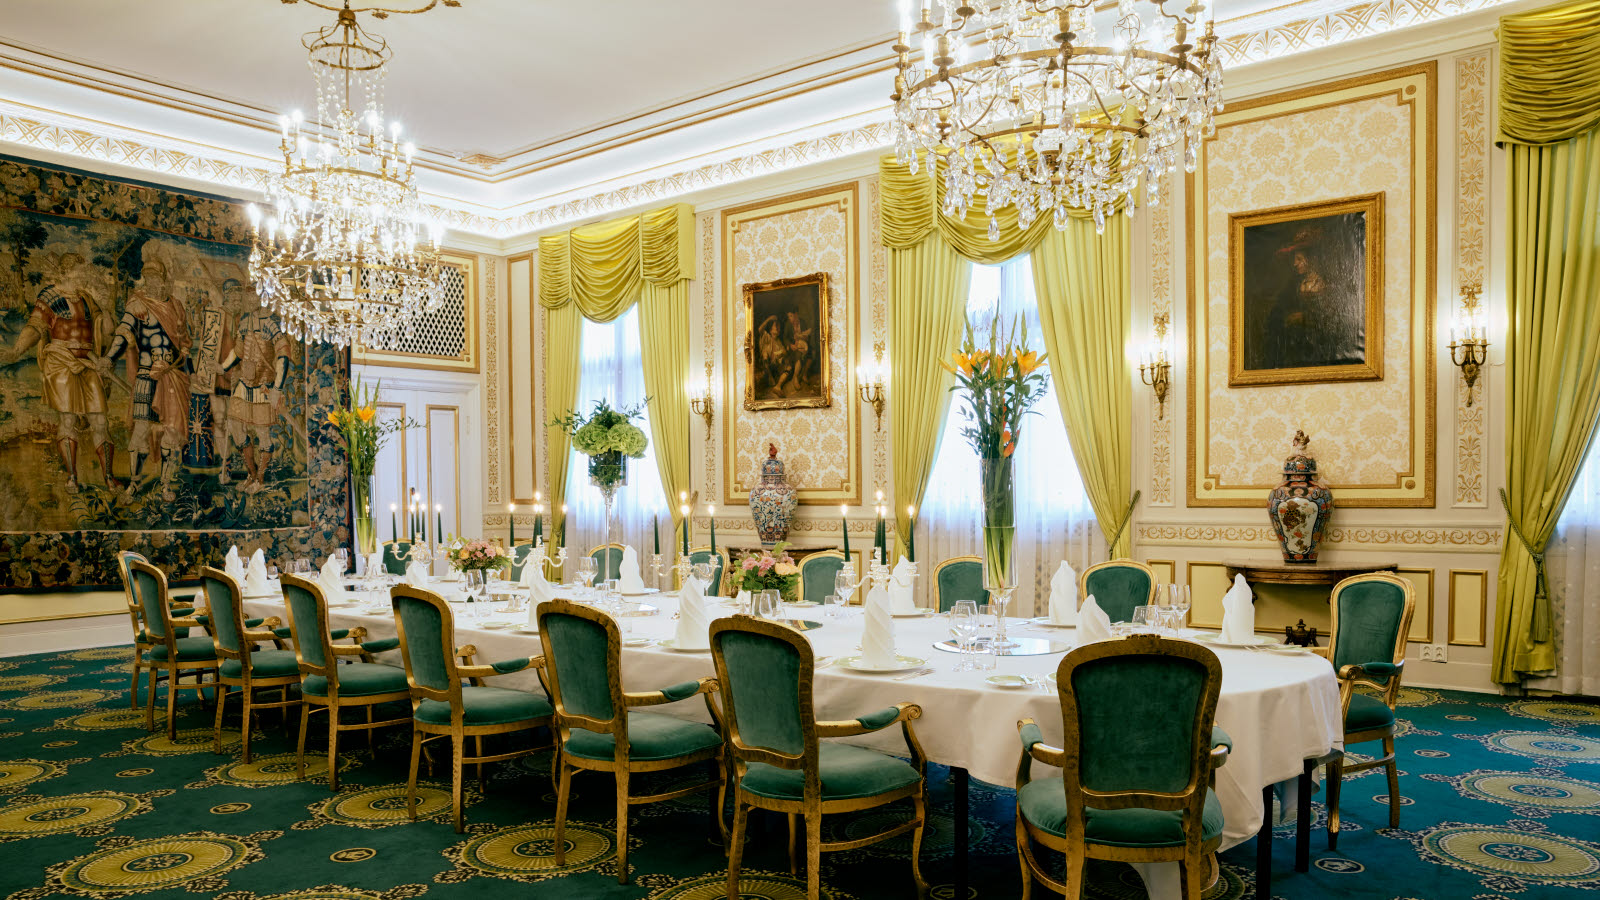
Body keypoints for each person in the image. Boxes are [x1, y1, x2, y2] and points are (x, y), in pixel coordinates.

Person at [0, 253, 117, 492]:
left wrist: (105, 309)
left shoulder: (87, 298)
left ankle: (108, 477)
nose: (84, 277)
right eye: (80, 272)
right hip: (60, 360)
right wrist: (16, 351)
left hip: (87, 361)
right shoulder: (50, 296)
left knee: (100, 420)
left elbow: (106, 331)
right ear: (67, 271)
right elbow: (35, 327)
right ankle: (72, 477)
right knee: (67, 418)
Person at [103, 248, 192, 502]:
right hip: (146, 375)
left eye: (156, 276)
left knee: (172, 432)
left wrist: (183, 352)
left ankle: (165, 484)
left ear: (163, 278)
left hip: (173, 377)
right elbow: (123, 331)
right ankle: (134, 484)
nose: (152, 281)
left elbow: (185, 340)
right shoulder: (138, 303)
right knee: (140, 430)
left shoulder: (175, 305)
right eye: (147, 276)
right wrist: (110, 357)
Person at [220, 306, 291, 493]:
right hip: (244, 384)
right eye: (249, 294)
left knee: (262, 433)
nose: (250, 299)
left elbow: (283, 356)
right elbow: (238, 351)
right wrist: (223, 367)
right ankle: (251, 473)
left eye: (254, 294)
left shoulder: (272, 323)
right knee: (236, 426)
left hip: (264, 385)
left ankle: (260, 479)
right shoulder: (244, 322)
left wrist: (277, 388)